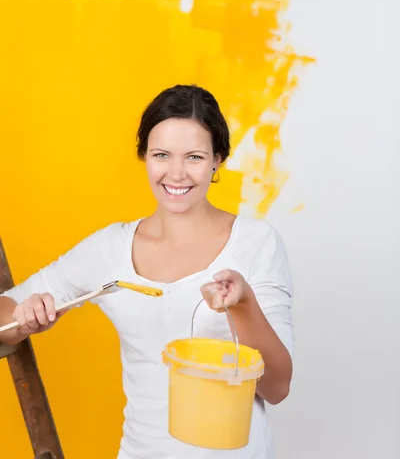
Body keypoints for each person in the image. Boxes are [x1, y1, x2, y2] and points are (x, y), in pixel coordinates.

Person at [0, 84, 293, 459]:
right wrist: (26, 318)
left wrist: (244, 304)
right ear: (144, 156)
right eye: (161, 155)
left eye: (194, 157)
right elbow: (5, 312)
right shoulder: (108, 250)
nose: (176, 173)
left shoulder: (256, 243)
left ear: (217, 159)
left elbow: (277, 387)